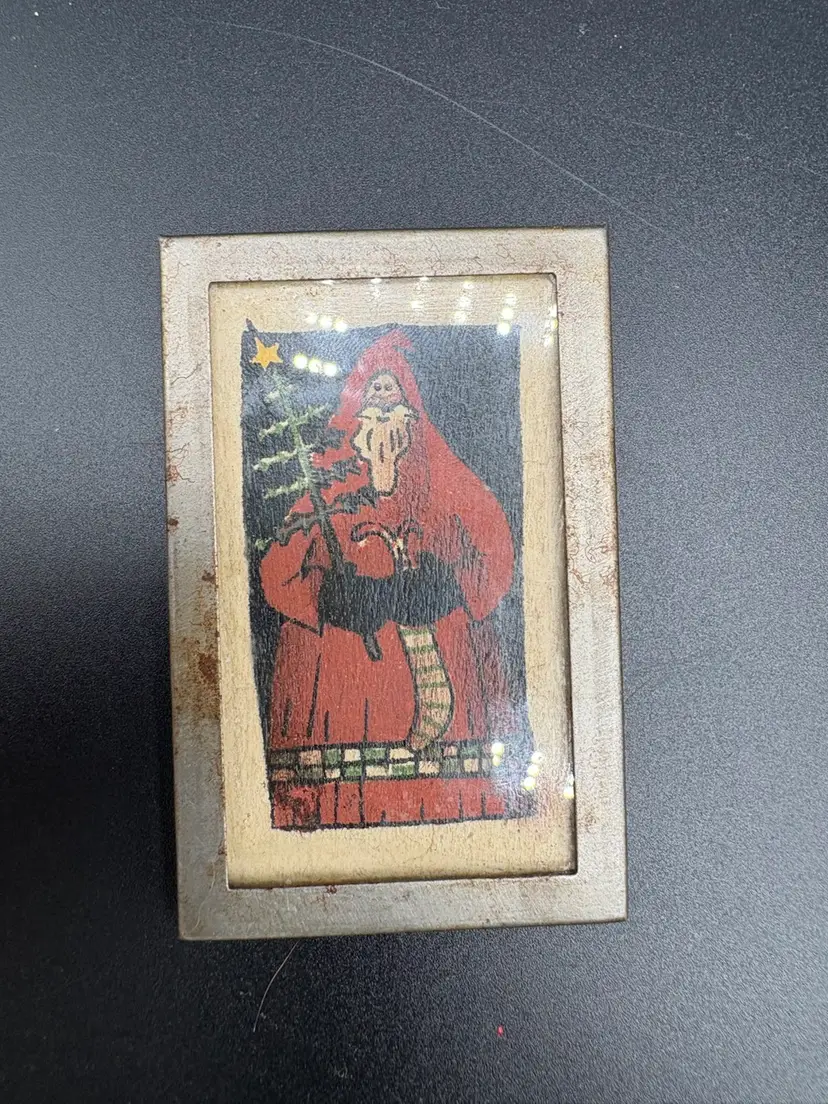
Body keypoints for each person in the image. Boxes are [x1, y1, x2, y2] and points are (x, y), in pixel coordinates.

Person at [260, 329, 520, 828]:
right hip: (343, 671)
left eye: (391, 392)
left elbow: (494, 553)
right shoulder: (327, 486)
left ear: (411, 408)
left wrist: (447, 586)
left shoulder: (443, 480)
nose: (382, 405)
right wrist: (328, 598)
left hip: (443, 652)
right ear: (354, 410)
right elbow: (279, 571)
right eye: (372, 393)